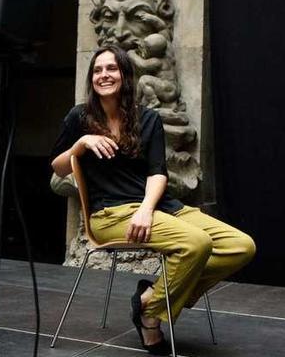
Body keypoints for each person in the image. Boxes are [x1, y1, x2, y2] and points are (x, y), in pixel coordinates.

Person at [50, 45, 255, 355]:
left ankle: (150, 302)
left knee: (241, 246)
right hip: (110, 214)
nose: (104, 75)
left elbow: (157, 173)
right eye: (97, 70)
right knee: (197, 244)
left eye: (112, 68)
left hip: (157, 207)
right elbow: (58, 166)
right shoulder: (79, 117)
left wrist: (146, 209)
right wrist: (81, 142)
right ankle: (156, 309)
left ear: (125, 75)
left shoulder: (147, 119)